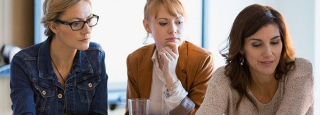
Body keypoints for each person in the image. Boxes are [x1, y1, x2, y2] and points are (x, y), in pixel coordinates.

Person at [196, 4, 313, 115]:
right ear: (241, 47)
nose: (268, 53)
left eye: (275, 42)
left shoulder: (300, 71)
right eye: (257, 44)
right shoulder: (224, 78)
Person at [10, 0, 108, 114]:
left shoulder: (96, 56)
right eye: (76, 23)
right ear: (54, 26)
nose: (87, 30)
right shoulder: (23, 63)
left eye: (89, 20)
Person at [125, 0, 215, 114]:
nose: (173, 30)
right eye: (163, 23)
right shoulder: (135, 59)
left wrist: (171, 79)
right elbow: (133, 111)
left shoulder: (203, 60)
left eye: (179, 22)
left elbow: (201, 113)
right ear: (147, 26)